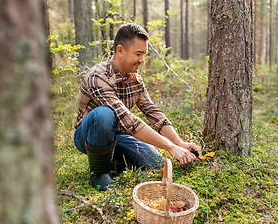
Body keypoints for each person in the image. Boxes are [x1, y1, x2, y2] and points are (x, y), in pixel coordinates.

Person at [73, 23, 202, 191]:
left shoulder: (135, 80)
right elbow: (128, 120)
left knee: (155, 164)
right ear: (120, 50)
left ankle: (115, 159)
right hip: (89, 135)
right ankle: (100, 173)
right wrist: (170, 148)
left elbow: (153, 113)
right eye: (138, 54)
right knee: (104, 114)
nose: (142, 60)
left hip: (118, 134)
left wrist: (179, 143)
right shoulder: (98, 76)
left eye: (144, 54)